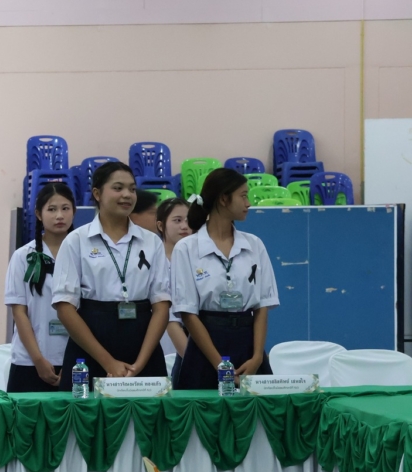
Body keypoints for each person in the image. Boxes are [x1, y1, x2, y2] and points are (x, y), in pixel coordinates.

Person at [52, 162, 171, 389]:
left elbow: (161, 305)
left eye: (132, 189)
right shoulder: (76, 240)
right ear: (97, 193)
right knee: (86, 411)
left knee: (147, 411)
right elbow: (64, 307)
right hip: (91, 344)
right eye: (118, 188)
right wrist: (108, 362)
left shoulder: (152, 241)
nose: (127, 195)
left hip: (142, 343)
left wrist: (140, 363)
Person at [172, 169, 278, 390]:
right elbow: (188, 313)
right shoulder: (186, 248)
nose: (248, 203)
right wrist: (220, 365)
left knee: (256, 408)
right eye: (243, 196)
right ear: (223, 199)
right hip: (206, 346)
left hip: (248, 343)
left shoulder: (254, 244)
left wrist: (257, 357)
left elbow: (262, 306)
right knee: (204, 409)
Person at [5, 183, 75, 392]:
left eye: (65, 208)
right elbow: (19, 312)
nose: (59, 215)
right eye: (52, 209)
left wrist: (74, 360)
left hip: (76, 359)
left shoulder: (85, 255)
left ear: (74, 211)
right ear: (38, 214)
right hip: (30, 361)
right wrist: (38, 360)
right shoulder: (22, 256)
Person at [155, 197, 192, 380]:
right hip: (160, 339)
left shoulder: (198, 260)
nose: (184, 226)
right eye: (177, 220)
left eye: (188, 220)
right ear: (161, 226)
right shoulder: (152, 260)